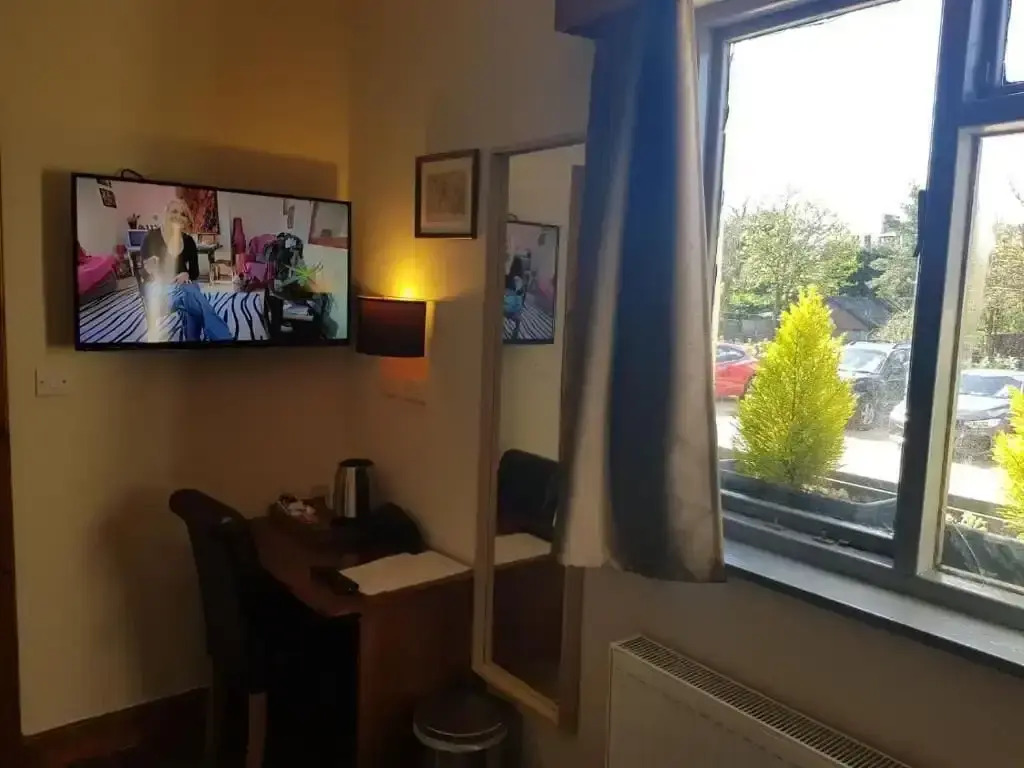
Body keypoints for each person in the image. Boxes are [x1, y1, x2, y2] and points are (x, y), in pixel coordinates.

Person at [139, 198, 232, 342]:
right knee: (193, 296)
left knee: (191, 293)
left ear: (186, 220)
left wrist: (186, 273)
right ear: (166, 213)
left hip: (182, 285)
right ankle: (223, 339)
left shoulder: (188, 241)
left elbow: (195, 273)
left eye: (183, 214)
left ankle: (194, 339)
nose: (178, 216)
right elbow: (144, 275)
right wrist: (152, 271)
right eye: (174, 211)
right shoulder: (151, 237)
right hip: (159, 289)